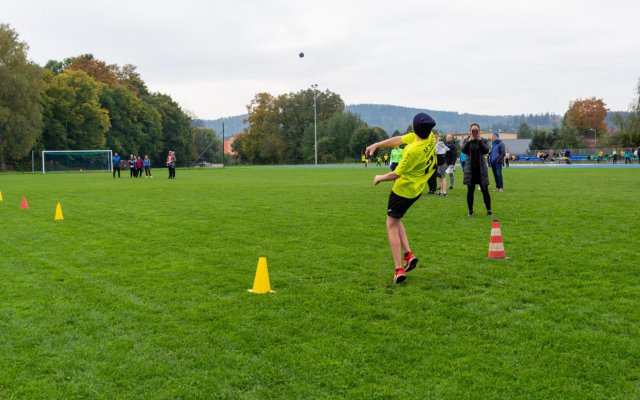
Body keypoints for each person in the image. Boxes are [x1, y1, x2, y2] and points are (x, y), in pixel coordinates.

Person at [365, 113, 437, 284]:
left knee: (390, 225)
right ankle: (408, 255)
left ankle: (398, 270)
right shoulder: (430, 137)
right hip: (418, 189)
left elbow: (396, 174)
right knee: (397, 219)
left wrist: (380, 177)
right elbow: (399, 139)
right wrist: (377, 144)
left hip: (403, 191)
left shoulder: (413, 151)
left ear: (415, 128)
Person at [462, 123, 492, 217]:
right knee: (470, 191)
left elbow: (486, 150)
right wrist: (468, 141)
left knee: (485, 190)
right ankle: (470, 210)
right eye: (472, 130)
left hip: (481, 169)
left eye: (476, 130)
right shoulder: (466, 140)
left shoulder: (483, 140)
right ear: (470, 131)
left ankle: (489, 210)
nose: (474, 132)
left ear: (479, 131)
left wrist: (480, 141)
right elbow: (463, 150)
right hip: (470, 170)